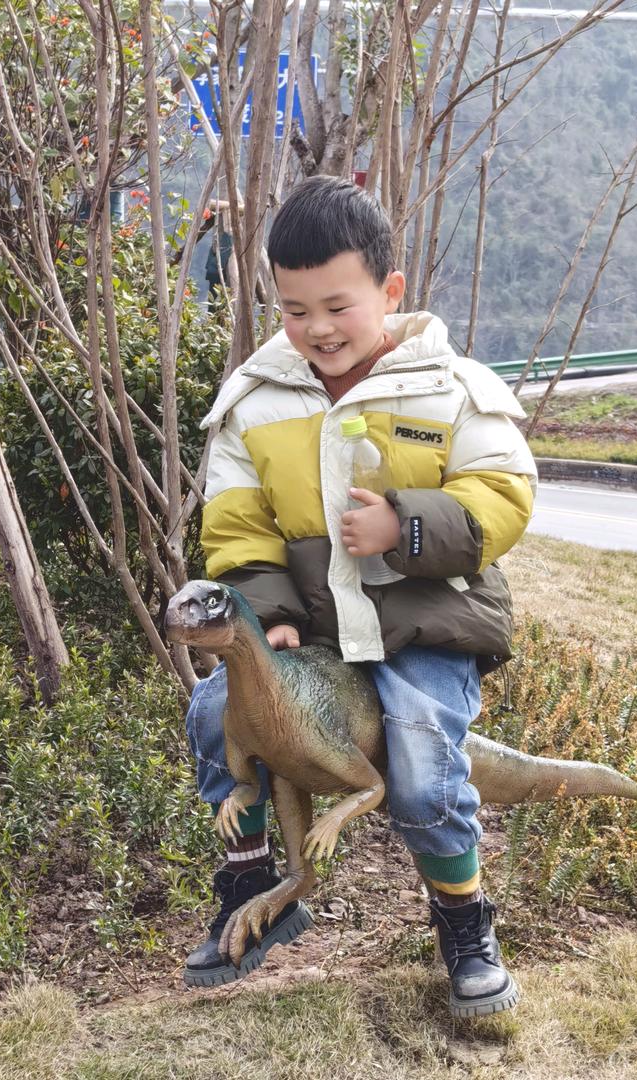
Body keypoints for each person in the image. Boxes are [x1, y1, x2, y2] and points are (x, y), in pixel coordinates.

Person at [183, 176, 537, 1018]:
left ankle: (464, 922)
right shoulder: (255, 402)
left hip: (425, 628)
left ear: (390, 291)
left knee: (420, 760)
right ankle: (251, 884)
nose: (318, 329)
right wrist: (269, 617)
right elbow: (237, 528)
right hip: (311, 633)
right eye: (294, 309)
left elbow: (504, 495)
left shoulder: (450, 386)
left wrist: (405, 527)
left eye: (338, 306)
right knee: (215, 713)